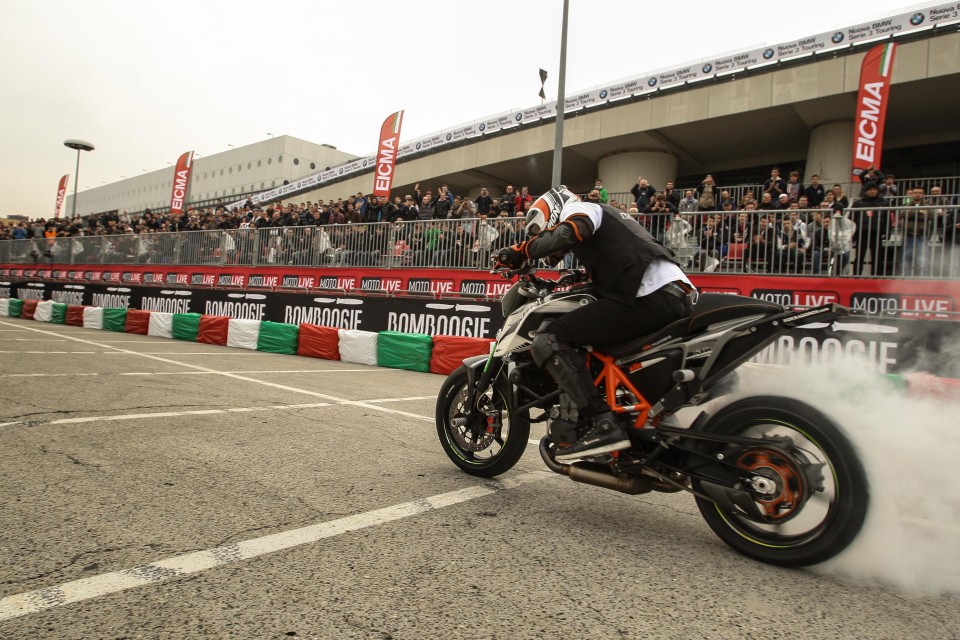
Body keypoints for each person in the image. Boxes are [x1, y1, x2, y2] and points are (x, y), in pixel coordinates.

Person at [495, 187, 695, 461]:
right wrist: (577, 276)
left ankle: (602, 423)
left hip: (648, 294)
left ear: (552, 211)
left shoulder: (582, 208)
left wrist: (523, 250)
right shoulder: (611, 227)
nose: (540, 236)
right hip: (670, 295)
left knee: (550, 338)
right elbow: (611, 259)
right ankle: (626, 422)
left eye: (540, 230)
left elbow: (567, 233)